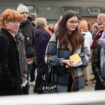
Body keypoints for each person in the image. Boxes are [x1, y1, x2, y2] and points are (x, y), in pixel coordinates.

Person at [45, 10, 89, 92]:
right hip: (60, 77)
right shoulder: (56, 37)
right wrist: (63, 61)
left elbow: (87, 55)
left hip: (78, 77)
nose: (74, 24)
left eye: (76, 22)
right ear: (65, 22)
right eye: (71, 22)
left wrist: (78, 60)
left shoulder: (81, 37)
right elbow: (47, 58)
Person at [0, 9, 22, 95]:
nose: (17, 24)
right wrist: (11, 82)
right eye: (13, 22)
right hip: (7, 88)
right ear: (5, 22)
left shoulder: (9, 37)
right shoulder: (3, 38)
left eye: (18, 22)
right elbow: (2, 65)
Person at [17, 4, 36, 87]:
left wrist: (33, 58)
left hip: (28, 60)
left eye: (26, 13)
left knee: (25, 83)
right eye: (22, 13)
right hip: (15, 60)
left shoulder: (31, 26)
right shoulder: (14, 25)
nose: (25, 14)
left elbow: (35, 43)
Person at [33, 17, 51, 93]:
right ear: (44, 24)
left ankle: (37, 87)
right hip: (42, 55)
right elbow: (46, 46)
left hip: (35, 54)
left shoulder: (34, 31)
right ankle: (39, 88)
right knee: (42, 72)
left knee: (38, 71)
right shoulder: (45, 33)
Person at [91, 13, 105, 90]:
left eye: (103, 23)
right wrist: (101, 80)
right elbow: (95, 63)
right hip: (101, 79)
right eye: (99, 24)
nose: (101, 25)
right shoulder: (99, 36)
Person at [79, 20, 93, 85]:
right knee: (87, 66)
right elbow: (91, 43)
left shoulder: (79, 33)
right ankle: (87, 80)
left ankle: (84, 79)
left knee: (82, 66)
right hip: (88, 51)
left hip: (81, 51)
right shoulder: (89, 33)